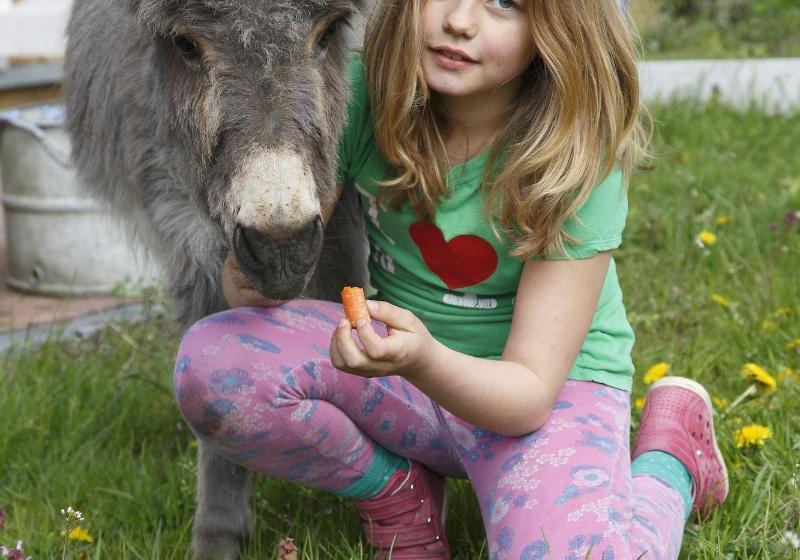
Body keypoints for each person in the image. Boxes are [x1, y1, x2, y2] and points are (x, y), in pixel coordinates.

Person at [173, 1, 729, 558]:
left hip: (540, 402)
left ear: (560, 26)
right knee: (214, 364)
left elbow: (529, 395)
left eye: (505, 3)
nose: (459, 20)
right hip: (403, 380)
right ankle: (397, 492)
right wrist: (257, 270)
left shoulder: (579, 154)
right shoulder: (363, 91)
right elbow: (283, 242)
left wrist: (423, 360)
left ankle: (672, 459)